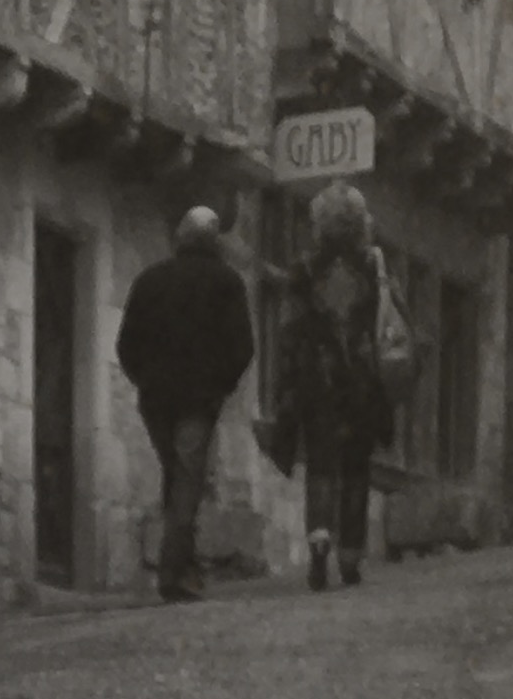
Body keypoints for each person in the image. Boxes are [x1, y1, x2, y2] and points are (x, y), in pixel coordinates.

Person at [114, 206, 258, 601]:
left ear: (180, 238)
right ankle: (174, 572)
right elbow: (243, 347)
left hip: (156, 397)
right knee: (187, 480)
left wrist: (143, 380)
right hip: (198, 398)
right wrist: (221, 385)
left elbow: (126, 344)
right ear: (214, 241)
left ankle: (184, 567)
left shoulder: (150, 281)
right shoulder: (226, 282)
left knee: (177, 476)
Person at [267, 180, 402, 589]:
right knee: (356, 468)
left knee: (321, 466)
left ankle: (320, 541)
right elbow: (388, 324)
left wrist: (286, 382)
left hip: (317, 379)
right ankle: (350, 557)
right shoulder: (373, 266)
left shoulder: (304, 269)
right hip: (361, 380)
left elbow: (289, 330)